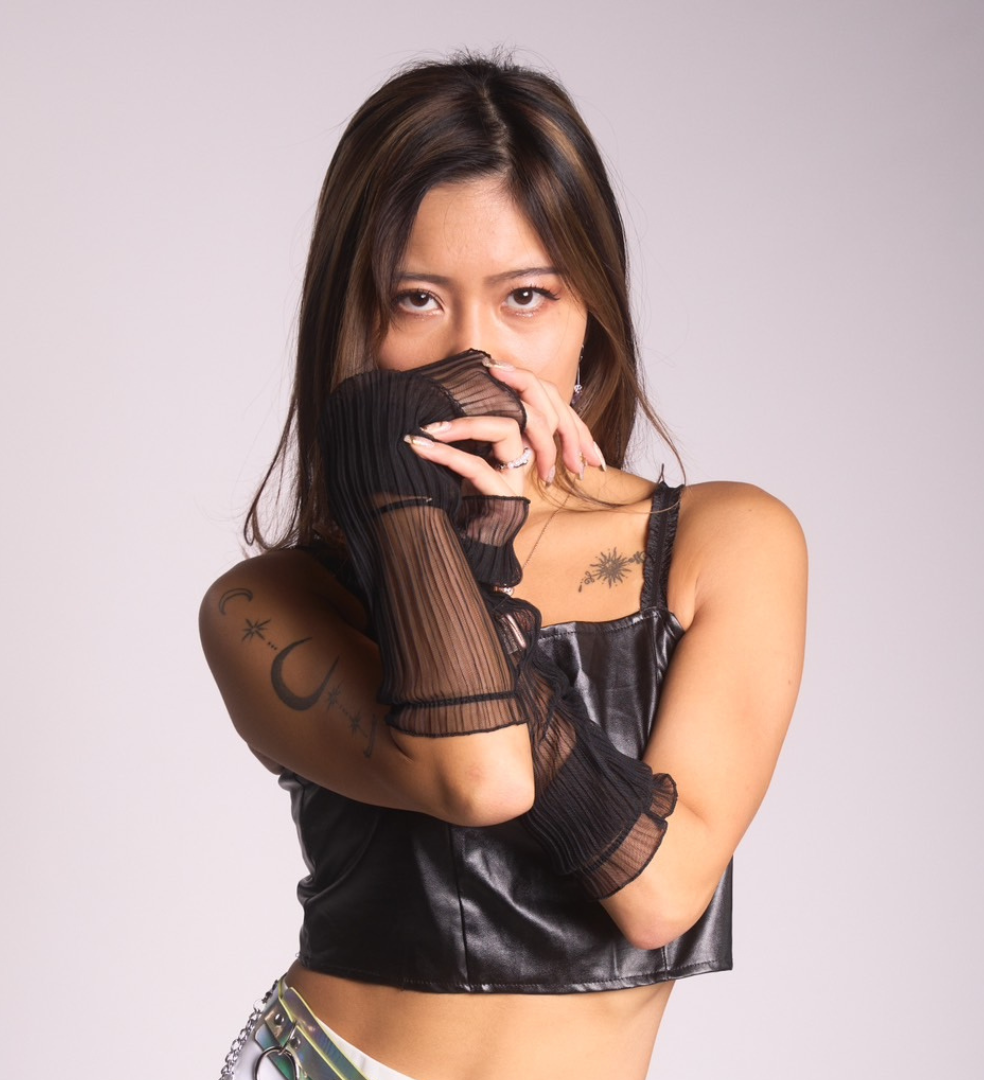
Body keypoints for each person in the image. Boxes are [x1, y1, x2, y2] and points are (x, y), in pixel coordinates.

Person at [199, 53, 808, 1080]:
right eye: (416, 299)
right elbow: (478, 776)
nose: (473, 356)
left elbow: (661, 894)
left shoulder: (724, 543)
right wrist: (421, 514)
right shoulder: (267, 604)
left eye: (525, 295)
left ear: (591, 313)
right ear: (353, 323)